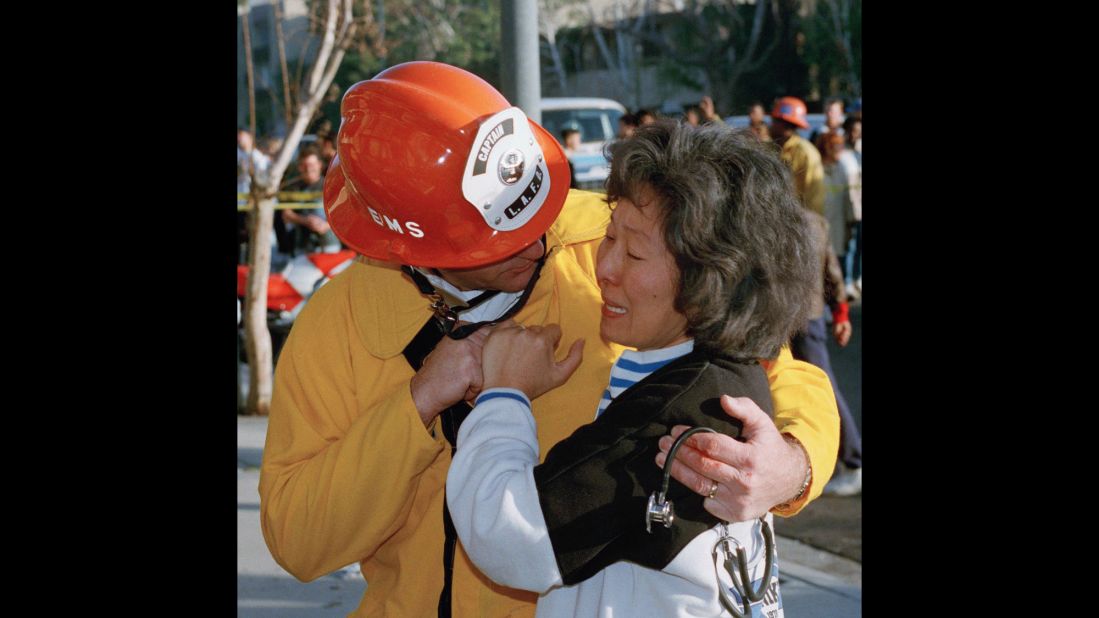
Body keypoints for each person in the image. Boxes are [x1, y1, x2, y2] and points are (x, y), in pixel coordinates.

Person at [258, 61, 839, 618]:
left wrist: (793, 466)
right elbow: (299, 542)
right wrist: (418, 404)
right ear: (413, 250)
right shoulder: (344, 322)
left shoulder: (622, 240)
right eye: (497, 244)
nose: (538, 244)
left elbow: (774, 371)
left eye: (536, 216)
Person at [447, 119, 817, 616]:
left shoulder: (676, 414)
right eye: (609, 237)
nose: (604, 268)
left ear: (711, 275)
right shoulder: (720, 374)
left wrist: (504, 394)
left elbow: (508, 538)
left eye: (635, 252)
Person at [795, 210, 862, 496]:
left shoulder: (767, 219)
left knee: (821, 390)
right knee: (816, 390)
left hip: (788, 319)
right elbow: (832, 272)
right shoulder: (815, 220)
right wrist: (841, 314)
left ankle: (853, 460)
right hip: (810, 317)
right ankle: (840, 461)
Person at [769, 96, 825, 216]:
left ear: (784, 124)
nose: (770, 125)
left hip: (797, 222)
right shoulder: (770, 149)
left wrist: (810, 227)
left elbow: (814, 196)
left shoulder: (806, 153)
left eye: (774, 121)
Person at [279, 150, 340, 254]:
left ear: (319, 165)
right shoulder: (292, 188)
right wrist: (305, 221)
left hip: (329, 244)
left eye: (312, 164)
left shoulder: (330, 185)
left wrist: (325, 225)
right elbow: (286, 214)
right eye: (304, 165)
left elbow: (343, 214)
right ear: (299, 167)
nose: (308, 168)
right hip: (303, 246)